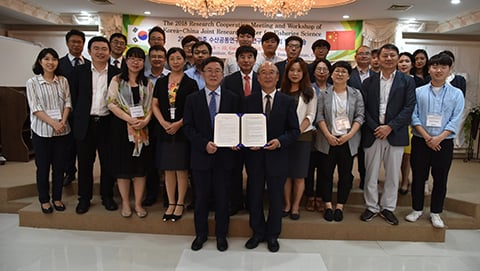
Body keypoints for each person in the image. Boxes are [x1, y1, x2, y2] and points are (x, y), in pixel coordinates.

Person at [183, 56, 240, 252]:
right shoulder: (192, 99)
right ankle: (201, 235)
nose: (213, 74)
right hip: (201, 157)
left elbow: (238, 124)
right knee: (201, 199)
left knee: (223, 199)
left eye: (217, 70)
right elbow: (188, 128)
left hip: (225, 158)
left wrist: (236, 141)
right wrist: (203, 144)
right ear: (202, 73)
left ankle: (221, 236)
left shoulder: (233, 98)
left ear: (223, 74)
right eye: (209, 70)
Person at [244, 62, 300, 253]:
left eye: (272, 73)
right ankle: (257, 232)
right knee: (255, 196)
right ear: (257, 78)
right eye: (263, 73)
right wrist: (243, 141)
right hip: (254, 157)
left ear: (278, 78)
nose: (267, 76)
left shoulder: (287, 101)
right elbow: (242, 128)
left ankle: (273, 234)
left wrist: (280, 141)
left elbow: (294, 131)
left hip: (278, 156)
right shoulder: (248, 100)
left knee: (276, 197)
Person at [405, 53, 464, 228]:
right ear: (429, 69)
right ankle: (416, 209)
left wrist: (439, 138)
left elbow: (456, 119)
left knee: (440, 178)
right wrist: (427, 137)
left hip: (444, 142)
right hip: (420, 140)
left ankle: (436, 212)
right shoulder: (418, 91)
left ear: (449, 70)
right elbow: (413, 116)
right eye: (435, 66)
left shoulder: (456, 93)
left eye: (443, 67)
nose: (438, 70)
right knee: (418, 177)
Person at [360, 43, 416, 225]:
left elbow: (408, 108)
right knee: (371, 173)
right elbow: (364, 108)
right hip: (373, 132)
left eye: (392, 55)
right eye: (385, 56)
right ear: (378, 59)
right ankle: (371, 207)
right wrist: (377, 127)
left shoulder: (407, 81)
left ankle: (388, 208)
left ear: (398, 58)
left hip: (396, 133)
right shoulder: (369, 81)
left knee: (392, 174)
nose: (388, 59)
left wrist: (390, 127)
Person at [70, 36, 121, 214]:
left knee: (108, 162)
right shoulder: (79, 72)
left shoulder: (116, 73)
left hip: (108, 123)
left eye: (104, 49)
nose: (100, 52)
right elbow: (73, 98)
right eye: (96, 48)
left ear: (109, 52)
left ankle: (107, 196)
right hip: (85, 123)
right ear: (89, 51)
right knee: (85, 163)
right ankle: (84, 198)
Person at [152, 47, 199, 222]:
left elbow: (193, 108)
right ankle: (171, 202)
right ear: (167, 61)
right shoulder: (161, 82)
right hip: (164, 130)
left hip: (182, 131)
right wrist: (163, 123)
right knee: (168, 169)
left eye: (179, 58)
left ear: (184, 60)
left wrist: (179, 124)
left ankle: (180, 203)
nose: (175, 62)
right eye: (172, 59)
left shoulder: (190, 82)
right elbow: (154, 104)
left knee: (181, 169)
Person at [106, 47, 153, 218]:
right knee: (123, 169)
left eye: (139, 59)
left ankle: (138, 203)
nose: (136, 62)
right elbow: (111, 103)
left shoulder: (147, 83)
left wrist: (145, 121)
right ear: (126, 61)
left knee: (140, 169)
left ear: (143, 62)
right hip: (122, 129)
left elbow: (151, 106)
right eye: (132, 58)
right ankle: (126, 203)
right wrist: (129, 119)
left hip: (143, 130)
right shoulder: (117, 80)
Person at [315, 61, 364, 222]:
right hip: (327, 139)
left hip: (347, 141)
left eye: (344, 71)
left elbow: (360, 116)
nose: (340, 74)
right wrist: (328, 135)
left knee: (345, 175)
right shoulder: (324, 94)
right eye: (337, 71)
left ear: (349, 75)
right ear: (331, 74)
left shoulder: (356, 94)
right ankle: (328, 204)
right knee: (325, 174)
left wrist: (349, 135)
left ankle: (340, 206)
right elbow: (319, 116)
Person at [26, 48, 72, 213]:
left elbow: (68, 103)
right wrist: (53, 123)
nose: (50, 62)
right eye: (46, 59)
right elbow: (35, 108)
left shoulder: (63, 81)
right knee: (43, 167)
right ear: (40, 62)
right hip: (42, 131)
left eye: (54, 59)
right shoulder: (32, 82)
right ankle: (44, 200)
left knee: (59, 167)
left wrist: (63, 122)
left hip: (62, 130)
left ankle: (57, 198)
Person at [222, 45, 261, 216]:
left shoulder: (262, 78)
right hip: (235, 134)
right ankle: (235, 202)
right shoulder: (229, 80)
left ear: (255, 59)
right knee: (234, 171)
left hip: (255, 134)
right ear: (237, 60)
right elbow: (225, 107)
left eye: (250, 57)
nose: (246, 60)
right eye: (242, 57)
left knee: (254, 171)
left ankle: (252, 204)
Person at [279, 58, 316, 220]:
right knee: (286, 174)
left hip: (303, 137)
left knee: (299, 175)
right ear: (287, 72)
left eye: (299, 71)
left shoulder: (310, 91)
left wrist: (296, 132)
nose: (295, 74)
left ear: (304, 73)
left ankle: (295, 207)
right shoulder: (281, 91)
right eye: (292, 70)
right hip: (284, 138)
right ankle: (287, 204)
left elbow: (310, 115)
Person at [59, 29, 91, 187]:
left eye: (79, 42)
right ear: (67, 43)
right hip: (65, 111)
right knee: (68, 145)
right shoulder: (59, 64)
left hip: (84, 113)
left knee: (84, 147)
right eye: (73, 42)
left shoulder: (90, 65)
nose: (76, 45)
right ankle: (69, 172)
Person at [142, 45, 170, 207]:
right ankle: (151, 193)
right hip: (147, 122)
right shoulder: (143, 77)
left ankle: (168, 195)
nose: (157, 59)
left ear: (164, 59)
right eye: (154, 56)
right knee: (150, 160)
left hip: (165, 123)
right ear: (149, 58)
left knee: (167, 161)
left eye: (160, 56)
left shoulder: (170, 77)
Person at [348, 45, 376, 190]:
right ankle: (348, 177)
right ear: (355, 57)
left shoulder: (377, 76)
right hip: (351, 119)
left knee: (366, 150)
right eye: (361, 54)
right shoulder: (349, 75)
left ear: (371, 57)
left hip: (371, 120)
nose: (364, 56)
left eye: (367, 53)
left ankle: (365, 178)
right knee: (351, 149)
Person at [305, 58, 332, 212]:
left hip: (327, 135)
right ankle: (309, 196)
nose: (322, 72)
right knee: (309, 166)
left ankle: (320, 197)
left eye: (325, 69)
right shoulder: (308, 88)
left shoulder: (334, 89)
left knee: (324, 167)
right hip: (310, 134)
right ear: (314, 72)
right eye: (319, 69)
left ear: (329, 72)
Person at [397, 52, 415, 195]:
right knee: (397, 154)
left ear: (411, 64)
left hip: (412, 123)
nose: (403, 64)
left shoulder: (418, 81)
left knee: (407, 155)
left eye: (407, 61)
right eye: (401, 61)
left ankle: (405, 180)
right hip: (396, 123)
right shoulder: (394, 80)